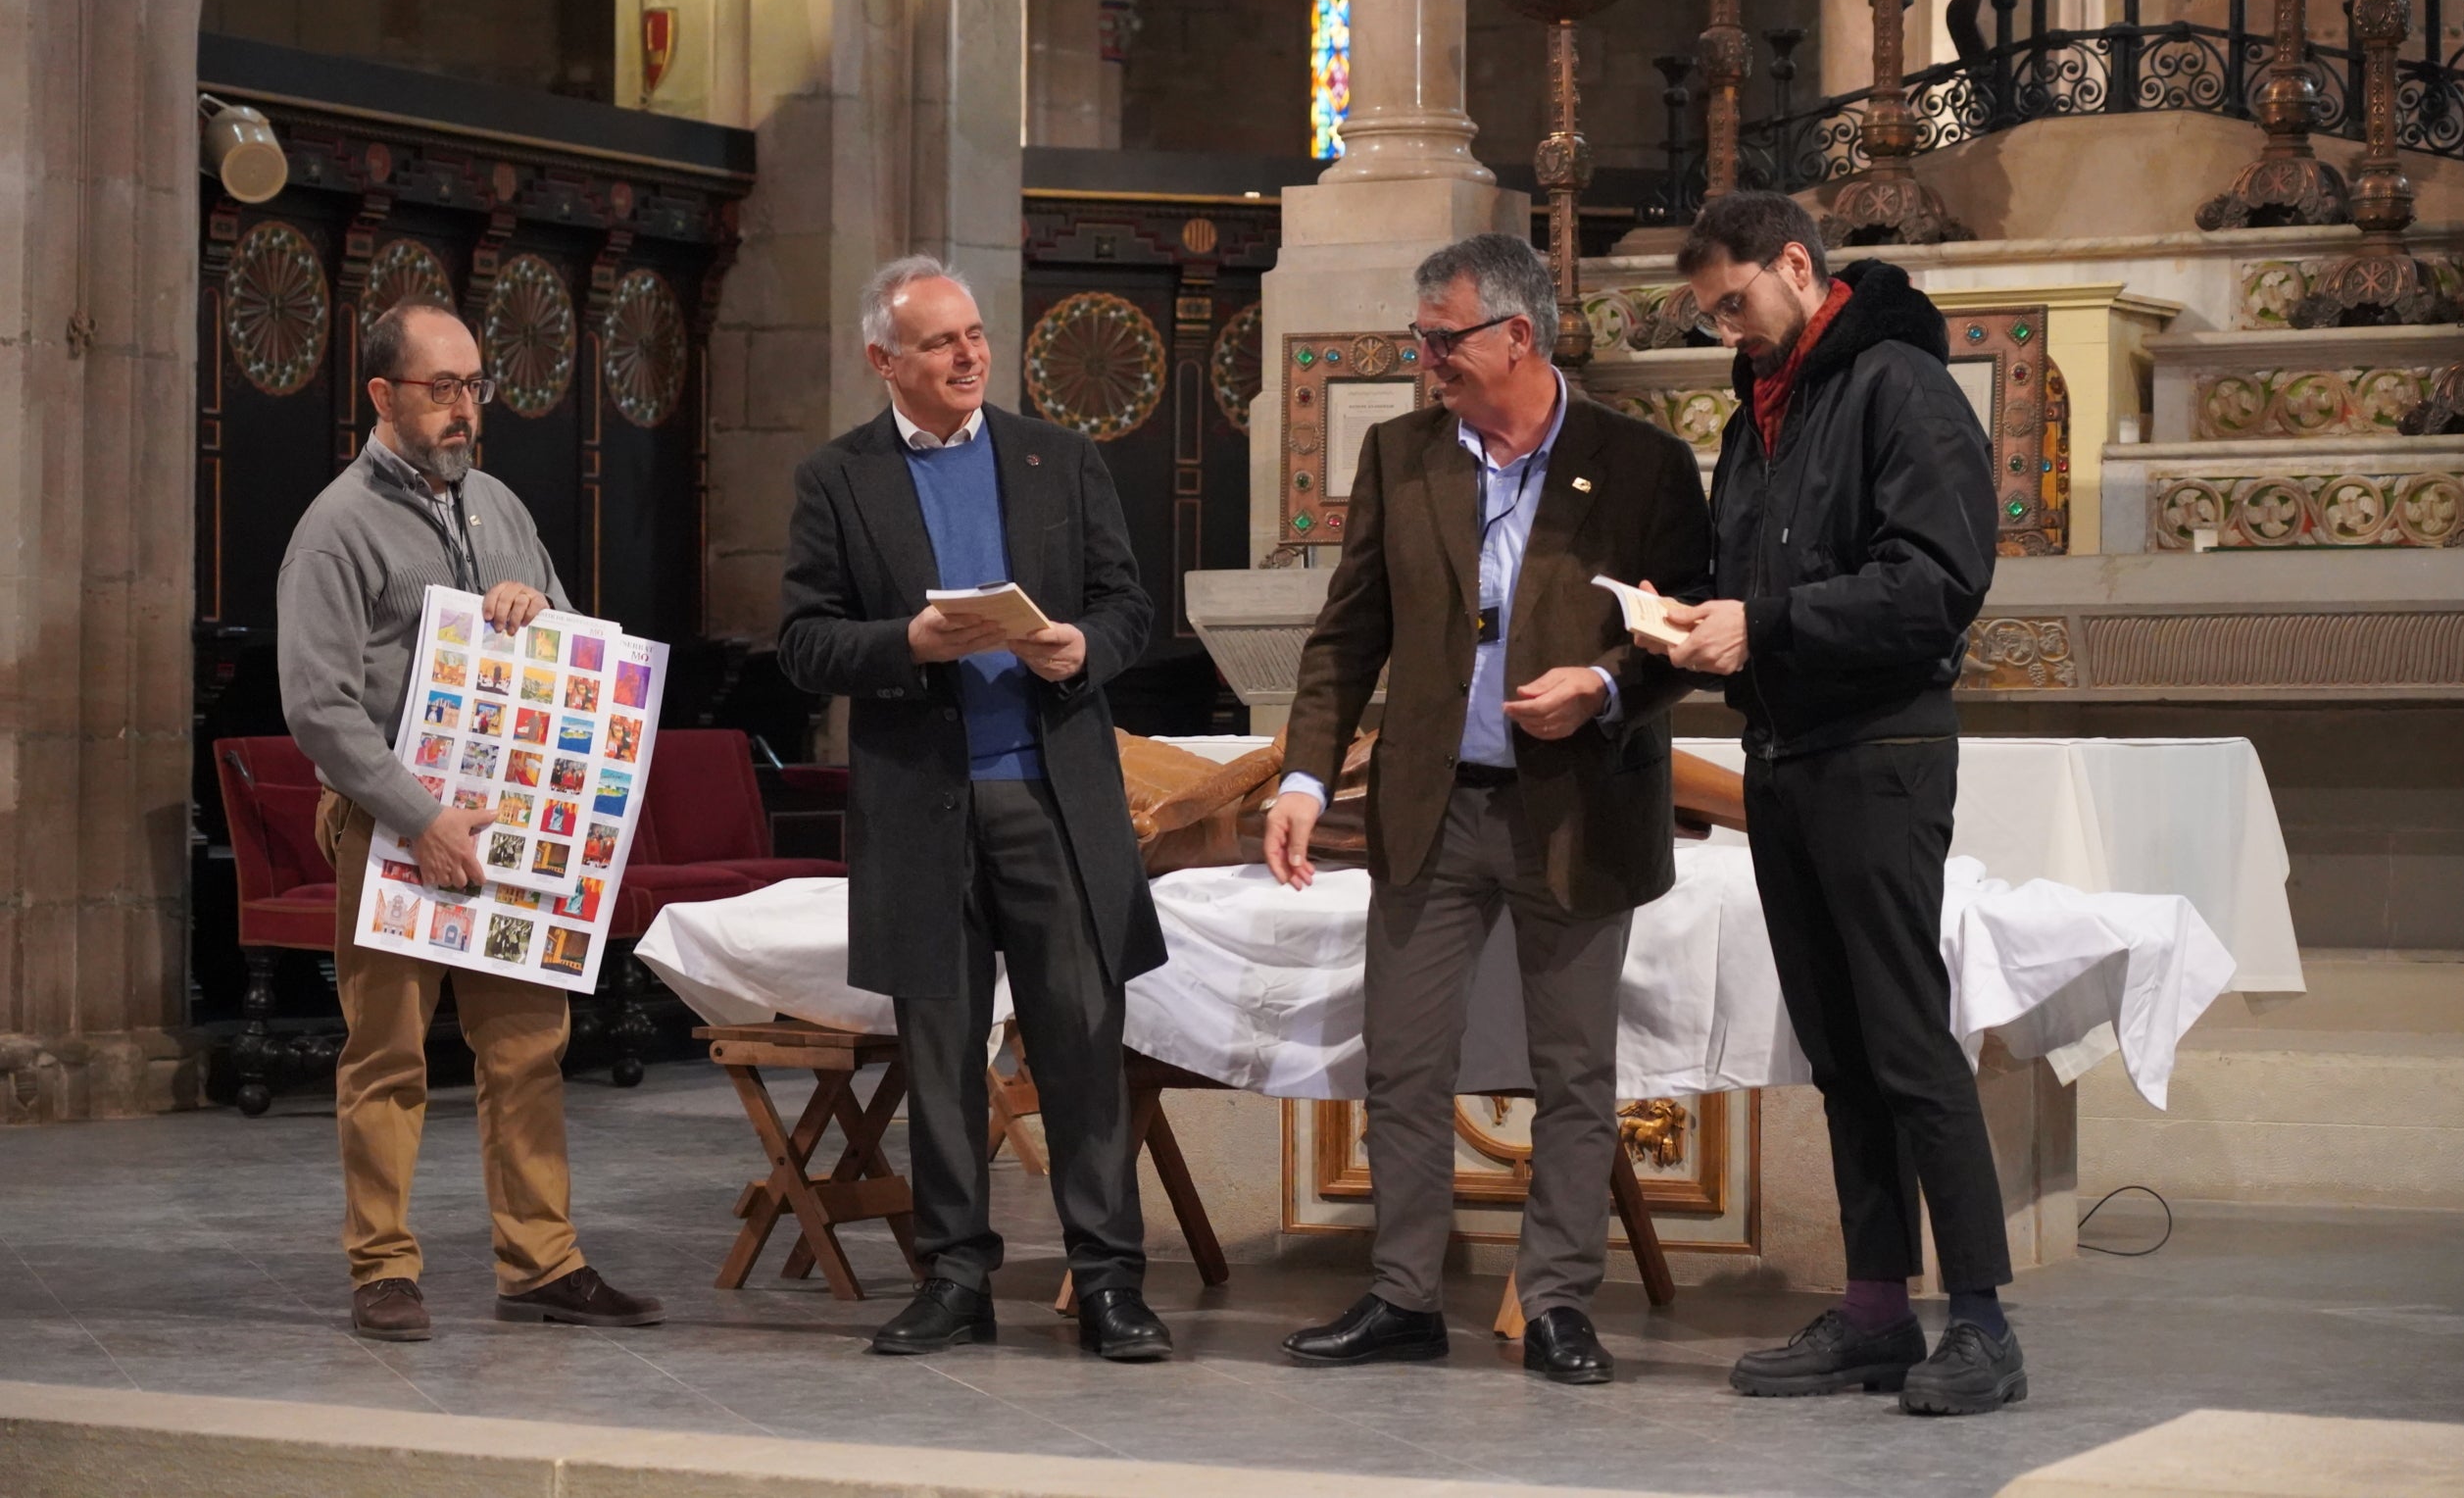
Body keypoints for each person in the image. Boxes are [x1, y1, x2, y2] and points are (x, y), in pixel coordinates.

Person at [1264, 233, 1711, 1385]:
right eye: (1421, 339)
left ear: (1518, 333)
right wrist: (1305, 777)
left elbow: (1685, 635)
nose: (1426, 362)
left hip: (1577, 809)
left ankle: (1555, 1300)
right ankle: (1404, 1294)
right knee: (1405, 1064)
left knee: (1573, 1073)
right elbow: (1347, 631)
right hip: (1432, 807)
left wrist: (1605, 683)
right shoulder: (1400, 454)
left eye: (1442, 339)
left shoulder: (1642, 464)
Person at [1649, 190, 2024, 1416]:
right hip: (1787, 748)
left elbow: (1936, 584)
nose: (1727, 332)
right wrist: (1675, 620)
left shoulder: (1900, 388)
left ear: (1796, 266)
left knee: (1907, 1038)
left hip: (1880, 746)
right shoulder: (1764, 410)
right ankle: (1874, 1314)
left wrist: (1767, 623)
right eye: (1709, 316)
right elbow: (1751, 575)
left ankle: (1979, 1323)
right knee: (1839, 1050)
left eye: (1735, 304)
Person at [779, 256, 1172, 1362]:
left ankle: (1108, 1283)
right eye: (941, 342)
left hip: (1051, 798)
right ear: (883, 361)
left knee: (1082, 1046)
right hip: (922, 808)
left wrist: (1080, 646)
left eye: (975, 336)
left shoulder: (1059, 457)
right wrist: (904, 642)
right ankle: (953, 1276)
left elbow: (1128, 605)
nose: (969, 355)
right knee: (940, 1053)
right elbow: (804, 642)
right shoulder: (837, 479)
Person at [277, 299, 663, 1342]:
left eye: (473, 388)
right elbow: (316, 706)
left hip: (501, 821)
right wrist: (418, 816)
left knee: (529, 1045)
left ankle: (541, 1261)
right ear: (382, 395)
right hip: (389, 822)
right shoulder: (337, 526)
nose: (463, 411)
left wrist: (546, 616)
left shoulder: (498, 504)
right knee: (389, 1054)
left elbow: (578, 641)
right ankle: (383, 1269)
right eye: (440, 389)